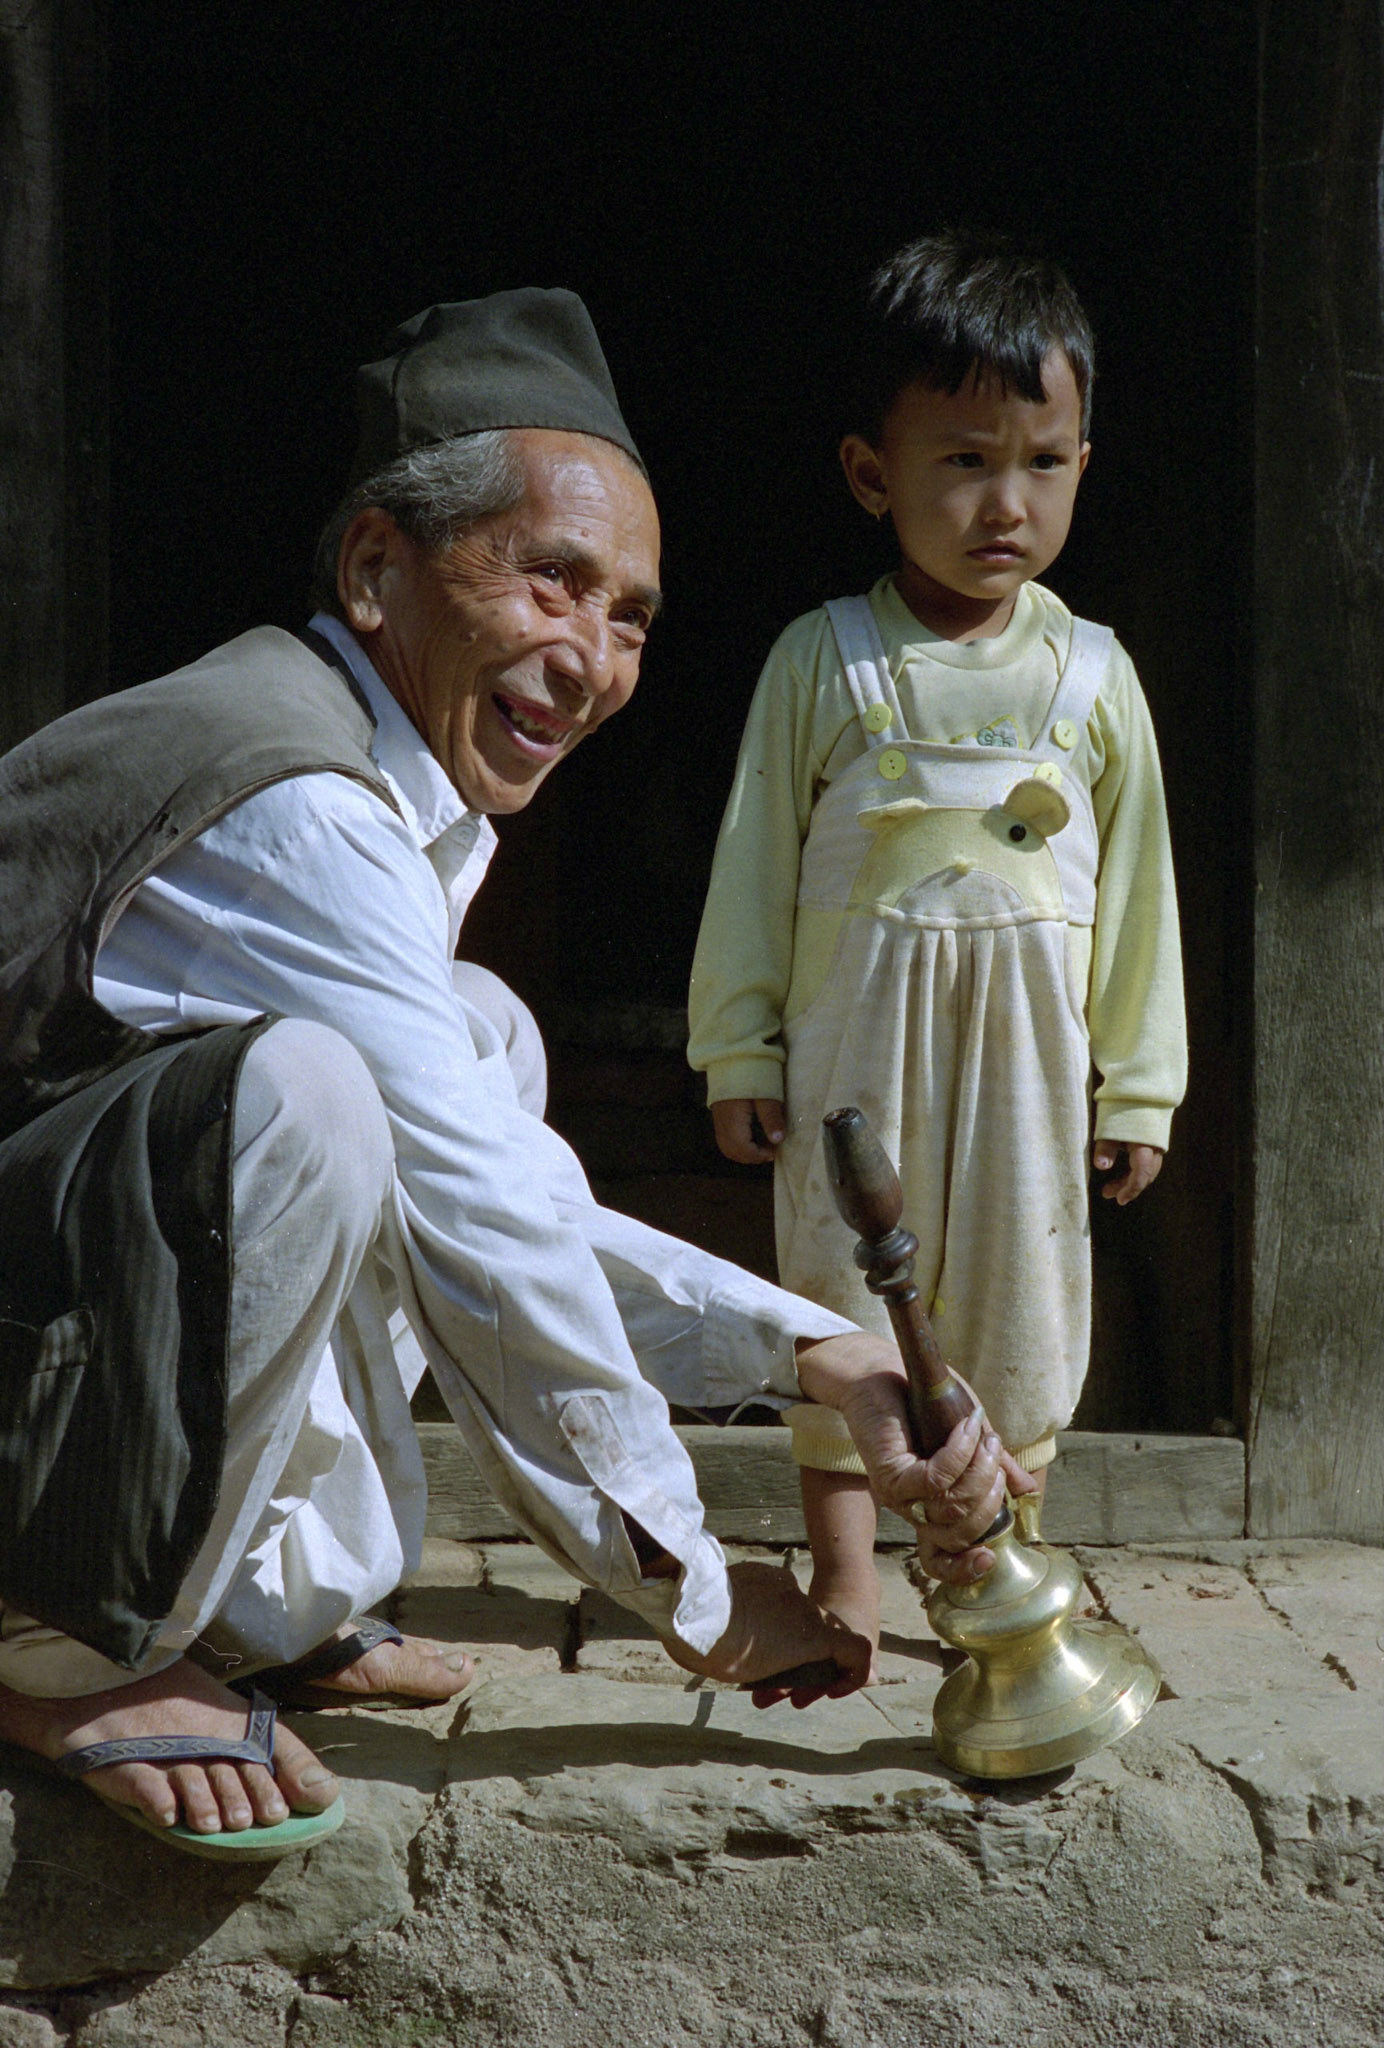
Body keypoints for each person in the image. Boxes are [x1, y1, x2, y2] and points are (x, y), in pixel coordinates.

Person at [0, 288, 1029, 1859]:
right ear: (375, 569)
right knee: (314, 1101)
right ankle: (50, 1644)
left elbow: (492, 1185)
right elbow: (482, 1223)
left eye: (627, 617)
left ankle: (273, 1609)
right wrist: (690, 1586)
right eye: (553, 583)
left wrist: (814, 1352)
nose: (593, 659)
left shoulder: (405, 799)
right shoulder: (303, 814)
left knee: (469, 1033)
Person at [688, 234, 1185, 1652]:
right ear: (871, 474)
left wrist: (1140, 1082)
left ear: (1085, 463)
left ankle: (992, 1569)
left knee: (1022, 1302)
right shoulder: (823, 660)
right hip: (860, 1046)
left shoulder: (1094, 678)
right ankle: (846, 1572)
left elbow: (1141, 896)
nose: (1004, 504)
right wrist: (740, 1040)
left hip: (1034, 1053)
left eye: (1044, 462)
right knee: (843, 1288)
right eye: (964, 462)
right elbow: (751, 865)